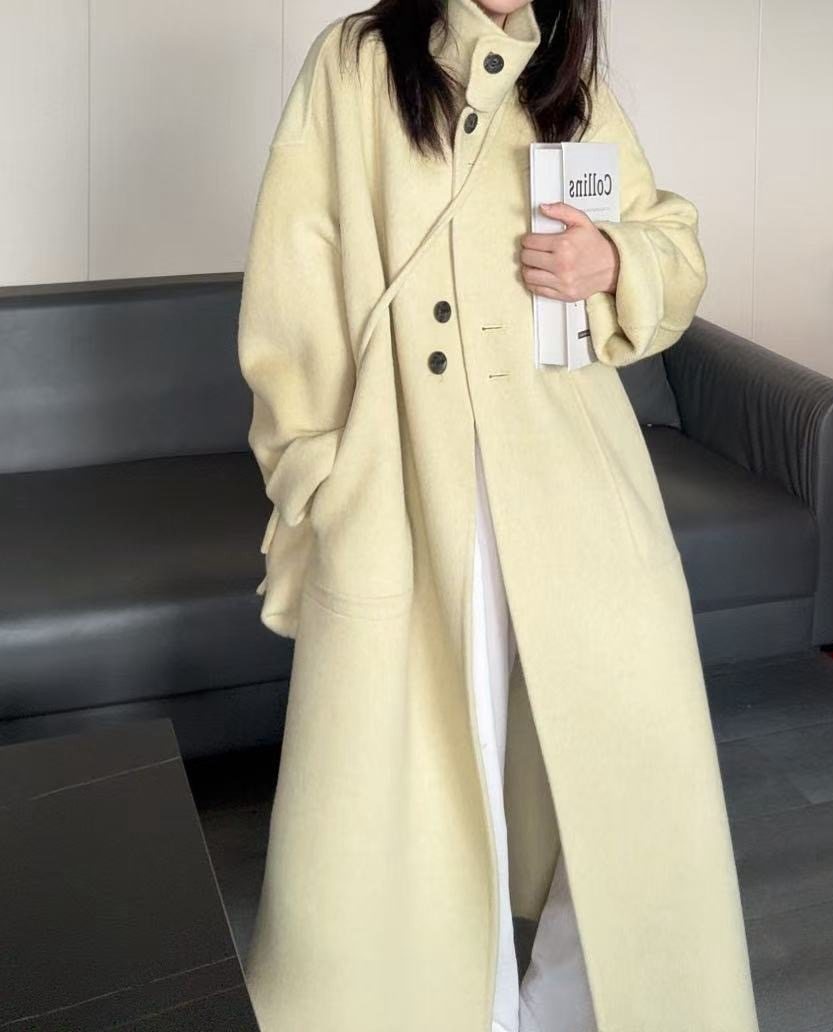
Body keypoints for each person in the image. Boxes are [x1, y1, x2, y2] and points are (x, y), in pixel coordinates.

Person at [236, 1, 762, 1030]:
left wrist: (615, 261)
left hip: (572, 473)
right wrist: (319, 470)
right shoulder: (356, 61)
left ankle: (574, 1005)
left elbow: (672, 245)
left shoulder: (566, 83)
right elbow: (292, 280)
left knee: (629, 756)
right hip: (401, 478)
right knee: (436, 762)